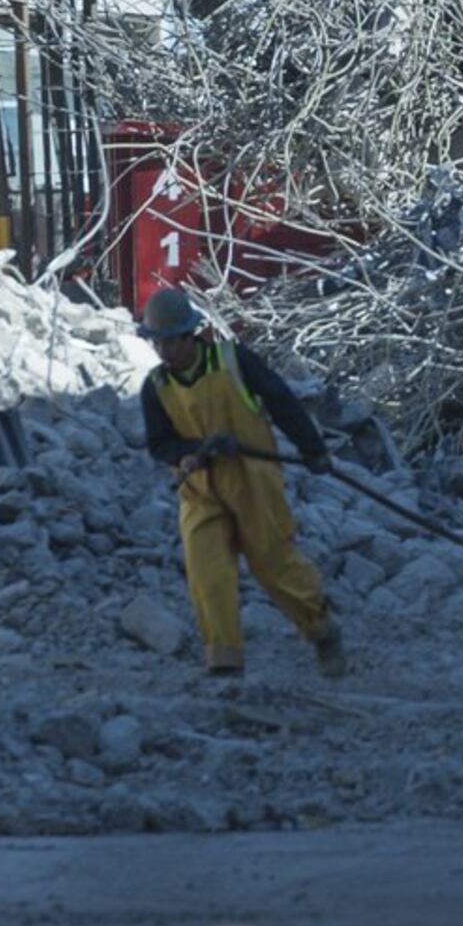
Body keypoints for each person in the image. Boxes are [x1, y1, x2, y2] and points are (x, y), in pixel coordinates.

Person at [134, 287, 348, 680]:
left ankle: (322, 631)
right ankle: (225, 665)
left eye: (169, 342)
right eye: (157, 343)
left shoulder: (232, 361)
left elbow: (280, 399)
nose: (163, 351)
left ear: (190, 335)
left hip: (253, 481)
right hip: (200, 490)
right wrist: (189, 451)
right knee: (207, 573)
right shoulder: (156, 388)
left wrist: (312, 448)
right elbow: (160, 444)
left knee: (274, 564)